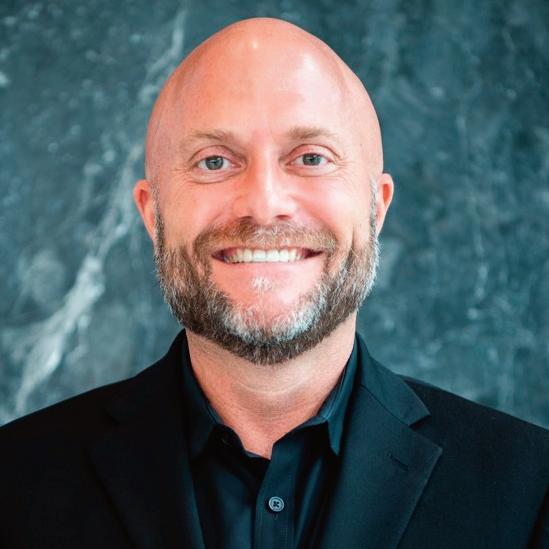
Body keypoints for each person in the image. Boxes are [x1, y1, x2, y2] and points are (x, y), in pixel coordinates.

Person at [1, 17, 548, 549]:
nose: (263, 204)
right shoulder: (14, 484)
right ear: (153, 213)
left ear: (376, 207)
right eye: (214, 161)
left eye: (310, 157)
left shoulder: (530, 491)